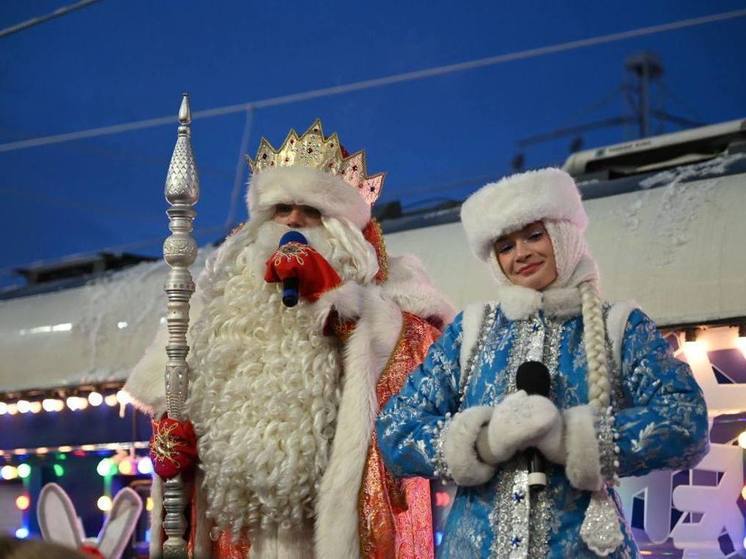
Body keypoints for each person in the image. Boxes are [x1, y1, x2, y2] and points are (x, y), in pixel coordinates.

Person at [124, 120, 454, 559]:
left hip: (330, 534)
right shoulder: (215, 297)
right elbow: (176, 394)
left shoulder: (394, 287)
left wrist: (344, 307)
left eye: (312, 211)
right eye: (281, 209)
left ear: (343, 229)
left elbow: (426, 378)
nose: (294, 219)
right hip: (236, 534)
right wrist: (175, 442)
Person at [376, 168, 709, 558]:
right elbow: (395, 431)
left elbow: (688, 422)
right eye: (505, 246)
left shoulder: (619, 326)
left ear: (563, 234)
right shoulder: (470, 332)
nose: (521, 254)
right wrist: (484, 440)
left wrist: (575, 439)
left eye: (534, 235)